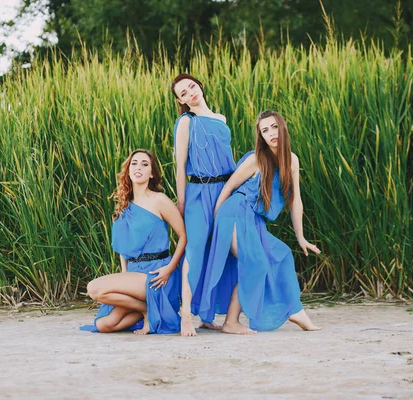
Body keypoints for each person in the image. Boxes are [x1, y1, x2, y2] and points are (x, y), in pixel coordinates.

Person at [200, 110, 322, 334]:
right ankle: (231, 322)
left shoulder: (292, 160)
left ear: (282, 128)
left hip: (254, 220)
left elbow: (296, 201)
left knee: (282, 255)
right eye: (265, 130)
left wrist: (301, 237)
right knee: (255, 262)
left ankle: (296, 311)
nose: (271, 133)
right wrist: (216, 226)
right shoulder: (256, 159)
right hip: (234, 213)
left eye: (274, 127)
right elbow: (227, 189)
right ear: (261, 136)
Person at [80, 149, 185, 335]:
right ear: (128, 170)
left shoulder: (159, 200)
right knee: (104, 325)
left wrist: (170, 268)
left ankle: (148, 309)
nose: (138, 167)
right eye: (134, 163)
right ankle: (146, 309)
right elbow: (123, 248)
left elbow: (183, 236)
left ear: (151, 173)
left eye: (145, 164)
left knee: (93, 288)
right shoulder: (124, 204)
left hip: (157, 273)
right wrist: (124, 276)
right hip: (134, 273)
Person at [171, 73, 237, 336]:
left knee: (219, 250)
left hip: (225, 191)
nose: (190, 93)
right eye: (183, 93)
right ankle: (186, 313)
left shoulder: (221, 119)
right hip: (199, 191)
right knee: (196, 248)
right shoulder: (186, 121)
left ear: (199, 86)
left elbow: (228, 158)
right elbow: (180, 165)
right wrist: (182, 201)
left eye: (191, 87)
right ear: (181, 101)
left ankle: (208, 314)